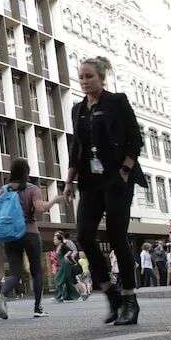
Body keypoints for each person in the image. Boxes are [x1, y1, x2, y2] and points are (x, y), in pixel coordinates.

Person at [63, 56, 147, 325]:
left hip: (116, 179)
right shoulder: (77, 109)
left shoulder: (116, 101)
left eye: (90, 77)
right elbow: (77, 147)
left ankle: (130, 299)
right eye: (82, 77)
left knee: (116, 235)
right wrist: (69, 180)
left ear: (101, 78)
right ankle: (111, 294)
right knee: (84, 236)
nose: (85, 82)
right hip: (90, 181)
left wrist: (125, 171)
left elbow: (136, 138)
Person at [0, 158, 64, 320]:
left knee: (15, 272)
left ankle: (1, 294)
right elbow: (40, 209)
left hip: (10, 234)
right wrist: (54, 200)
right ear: (26, 173)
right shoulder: (32, 189)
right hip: (30, 232)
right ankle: (37, 308)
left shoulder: (4, 189)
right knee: (36, 270)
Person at [52, 233, 79, 303]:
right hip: (61, 265)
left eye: (55, 239)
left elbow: (71, 250)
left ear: (59, 240)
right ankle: (69, 296)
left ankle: (59, 297)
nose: (53, 240)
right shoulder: (57, 247)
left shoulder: (63, 246)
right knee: (68, 281)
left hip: (65, 264)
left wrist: (66, 256)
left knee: (58, 279)